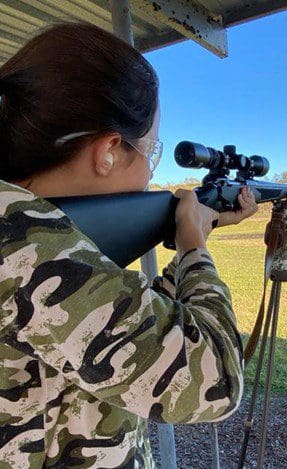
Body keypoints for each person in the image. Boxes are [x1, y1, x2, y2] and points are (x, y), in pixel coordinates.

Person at [0, 22, 257, 468]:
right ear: (109, 151)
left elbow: (122, 326)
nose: (150, 176)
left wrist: (195, 236)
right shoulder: (28, 244)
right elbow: (216, 379)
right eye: (150, 152)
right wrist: (195, 247)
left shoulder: (28, 227)